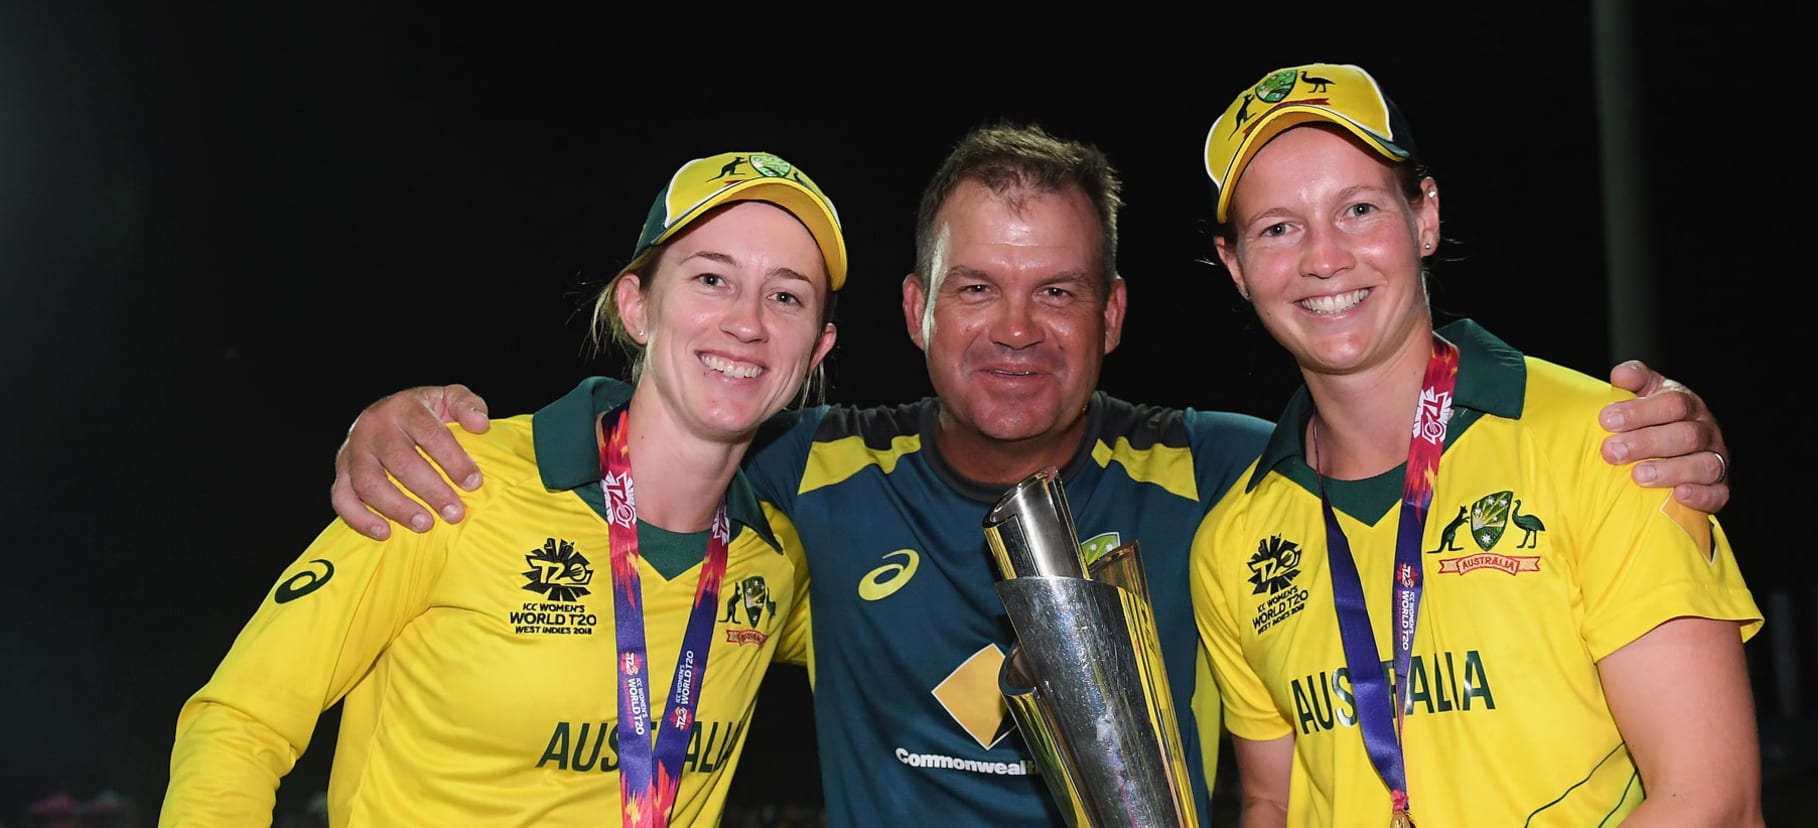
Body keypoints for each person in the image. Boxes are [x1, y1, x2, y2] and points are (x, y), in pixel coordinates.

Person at [328, 124, 1736, 826]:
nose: (1015, 331)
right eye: (978, 291)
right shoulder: (806, 479)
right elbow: (649, 460)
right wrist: (409, 424)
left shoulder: (1237, 482)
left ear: (1114, 317)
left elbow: (1405, 463)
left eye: (1058, 292)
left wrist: (1651, 427)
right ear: (908, 311)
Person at [159, 150, 845, 827]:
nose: (749, 322)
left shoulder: (781, 557)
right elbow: (239, 722)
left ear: (817, 348)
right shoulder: (450, 478)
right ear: (636, 307)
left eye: (786, 296)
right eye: (711, 280)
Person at [1189, 63, 1764, 826]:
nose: (1322, 257)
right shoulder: (1233, 542)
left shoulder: (1610, 446)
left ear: (1424, 215)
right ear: (1235, 266)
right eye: (1278, 228)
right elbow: (1271, 799)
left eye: (1358, 209)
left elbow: (1712, 803)